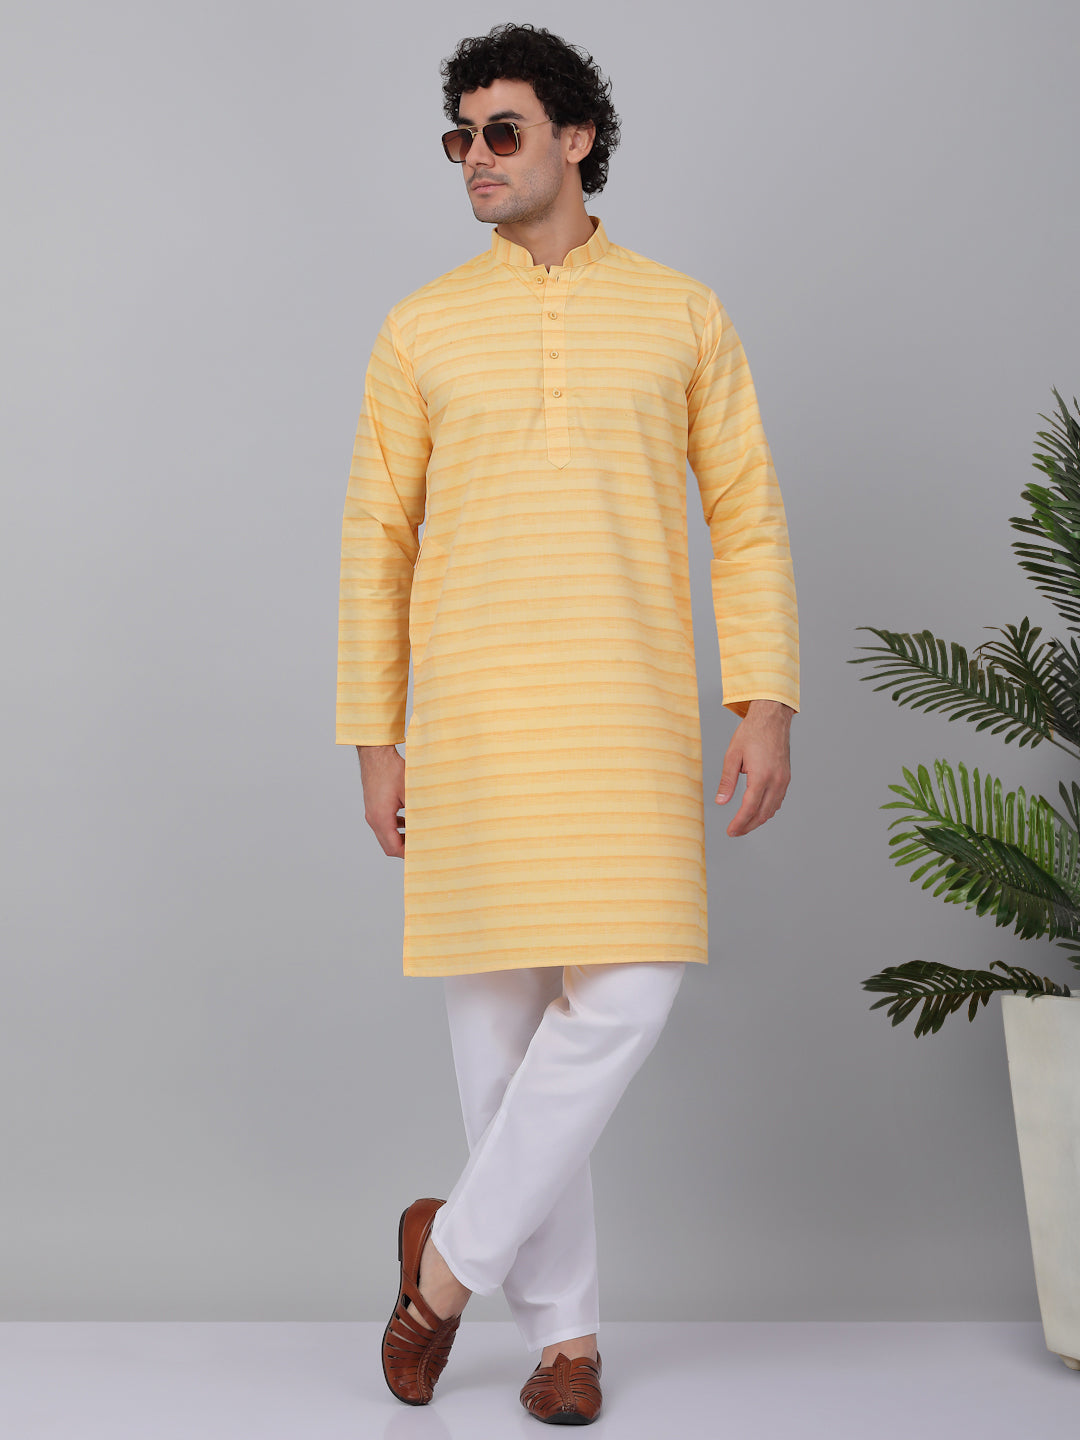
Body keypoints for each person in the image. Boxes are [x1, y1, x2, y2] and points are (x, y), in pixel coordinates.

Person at [336, 22, 799, 1426]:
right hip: (471, 724)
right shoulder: (422, 325)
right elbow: (375, 542)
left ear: (577, 138)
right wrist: (375, 738)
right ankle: (570, 1342)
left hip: (629, 713)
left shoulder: (683, 313)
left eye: (503, 131)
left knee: (625, 998)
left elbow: (747, 515)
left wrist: (764, 700)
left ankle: (443, 1272)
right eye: (460, 137)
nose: (475, 159)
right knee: (499, 1053)